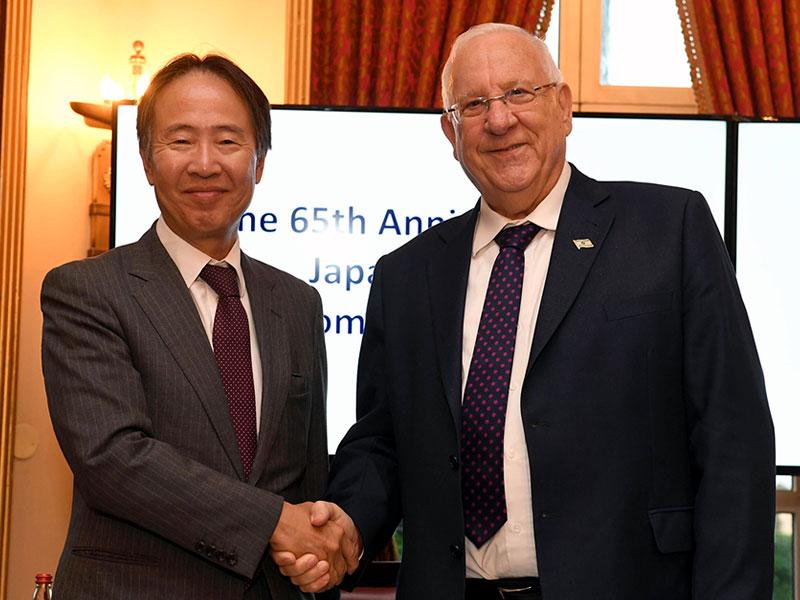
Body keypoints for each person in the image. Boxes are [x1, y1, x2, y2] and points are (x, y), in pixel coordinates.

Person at [273, 23, 776, 600]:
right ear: (450, 130)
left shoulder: (668, 229)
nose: (500, 120)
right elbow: (383, 442)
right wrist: (347, 530)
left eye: (519, 93)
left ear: (562, 106)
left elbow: (733, 441)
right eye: (475, 104)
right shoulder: (405, 275)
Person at [41, 53, 358, 599]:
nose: (205, 163)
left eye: (229, 141)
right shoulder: (86, 291)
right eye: (181, 141)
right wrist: (275, 522)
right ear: (145, 160)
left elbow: (306, 477)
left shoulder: (298, 302)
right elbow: (112, 459)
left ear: (259, 162)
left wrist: (315, 556)